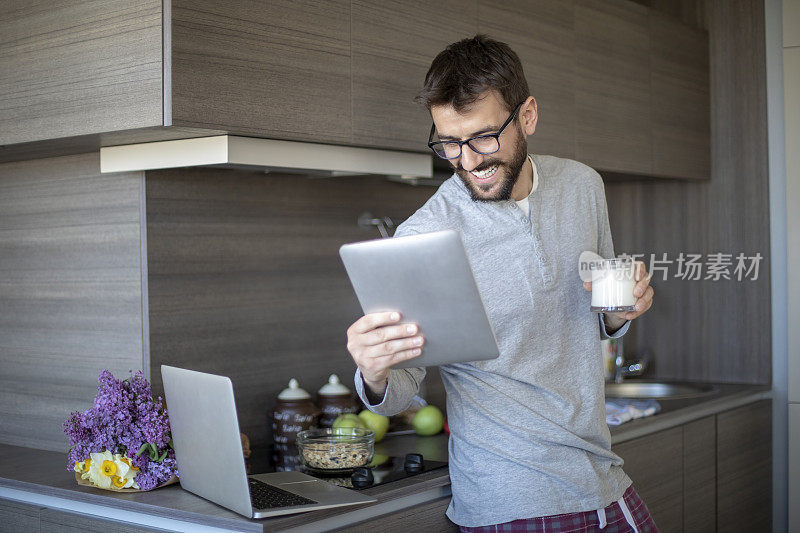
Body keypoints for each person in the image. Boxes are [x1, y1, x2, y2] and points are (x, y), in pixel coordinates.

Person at [345, 35, 657, 532]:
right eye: (449, 143)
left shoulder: (583, 186)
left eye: (484, 138)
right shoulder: (424, 235)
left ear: (527, 116)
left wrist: (620, 311)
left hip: (603, 477)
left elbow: (596, 315)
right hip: (511, 498)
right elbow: (403, 388)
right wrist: (374, 371)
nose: (468, 161)